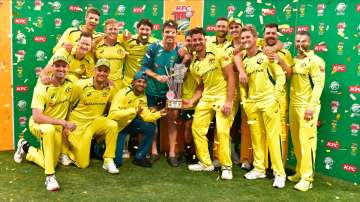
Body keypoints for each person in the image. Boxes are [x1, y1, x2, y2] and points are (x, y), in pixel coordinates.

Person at [14, 55, 76, 191]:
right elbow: (37, 117)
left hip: (57, 128)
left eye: (64, 66)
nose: (61, 68)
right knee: (48, 129)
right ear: (52, 68)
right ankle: (50, 176)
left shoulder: (70, 84)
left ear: (68, 68)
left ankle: (25, 147)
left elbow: (69, 106)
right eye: (57, 65)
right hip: (39, 124)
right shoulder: (42, 87)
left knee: (52, 162)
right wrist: (63, 122)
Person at [185, 27, 235, 180]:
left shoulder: (218, 53)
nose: (198, 42)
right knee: (197, 128)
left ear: (205, 40)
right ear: (191, 43)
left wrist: (229, 101)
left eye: (200, 39)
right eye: (194, 40)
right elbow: (201, 85)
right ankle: (206, 163)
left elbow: (231, 77)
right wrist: (193, 100)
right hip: (206, 98)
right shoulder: (193, 64)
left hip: (222, 97)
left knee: (222, 131)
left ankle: (227, 167)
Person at [239, 25, 286, 188]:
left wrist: (275, 97)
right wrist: (245, 101)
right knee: (256, 137)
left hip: (268, 101)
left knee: (273, 138)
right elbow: (242, 85)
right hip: (252, 104)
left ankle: (279, 173)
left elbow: (281, 76)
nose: (245, 40)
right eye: (242, 38)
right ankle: (259, 168)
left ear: (255, 38)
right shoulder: (243, 60)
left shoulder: (266, 55)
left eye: (248, 37)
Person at [61, 59, 119, 173]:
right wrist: (65, 124)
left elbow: (109, 106)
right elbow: (68, 105)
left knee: (112, 125)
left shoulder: (110, 88)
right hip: (79, 125)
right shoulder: (80, 85)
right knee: (83, 164)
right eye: (100, 70)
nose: (102, 73)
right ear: (94, 70)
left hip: (95, 122)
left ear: (108, 73)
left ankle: (108, 160)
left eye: (105, 71)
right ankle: (66, 152)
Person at [141, 20, 183, 167]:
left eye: (173, 32)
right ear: (162, 33)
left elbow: (181, 71)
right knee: (152, 121)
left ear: (177, 34)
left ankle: (172, 153)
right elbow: (144, 68)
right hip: (152, 90)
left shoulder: (180, 50)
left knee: (172, 121)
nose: (170, 34)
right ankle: (154, 152)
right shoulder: (153, 48)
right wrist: (157, 76)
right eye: (167, 32)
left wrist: (175, 87)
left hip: (171, 92)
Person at [288, 31, 325, 191]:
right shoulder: (294, 60)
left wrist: (311, 106)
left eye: (303, 41)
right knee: (296, 142)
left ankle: (307, 178)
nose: (300, 43)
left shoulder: (316, 60)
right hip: (293, 106)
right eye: (297, 41)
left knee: (307, 143)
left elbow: (319, 85)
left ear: (309, 42)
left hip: (307, 108)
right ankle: (299, 171)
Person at [108, 71, 166, 167]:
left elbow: (146, 117)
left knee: (150, 127)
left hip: (130, 124)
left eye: (144, 82)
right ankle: (97, 149)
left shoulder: (143, 96)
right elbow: (112, 115)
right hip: (117, 127)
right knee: (117, 162)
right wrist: (133, 111)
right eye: (139, 81)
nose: (142, 84)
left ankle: (139, 157)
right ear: (133, 82)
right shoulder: (123, 93)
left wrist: (160, 113)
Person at [262, 23, 293, 166]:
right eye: (268, 33)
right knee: (262, 131)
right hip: (261, 96)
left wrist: (280, 60)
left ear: (277, 35)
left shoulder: (286, 53)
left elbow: (289, 74)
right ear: (263, 35)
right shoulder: (258, 49)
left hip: (279, 97)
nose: (270, 35)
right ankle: (264, 164)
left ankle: (279, 165)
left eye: (273, 33)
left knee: (280, 132)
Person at [228, 18, 252, 170]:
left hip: (249, 89)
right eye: (232, 27)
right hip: (230, 89)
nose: (235, 29)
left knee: (247, 124)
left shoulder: (250, 42)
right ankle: (228, 153)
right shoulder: (225, 45)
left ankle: (246, 157)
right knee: (227, 123)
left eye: (237, 27)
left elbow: (278, 44)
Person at [121, 18, 158, 86]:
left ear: (151, 31)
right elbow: (110, 36)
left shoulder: (156, 44)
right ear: (137, 30)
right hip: (128, 82)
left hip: (146, 83)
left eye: (147, 30)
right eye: (142, 29)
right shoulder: (127, 41)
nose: (144, 32)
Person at [95, 18, 126, 92]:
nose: (113, 31)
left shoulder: (124, 44)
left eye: (115, 29)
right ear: (105, 31)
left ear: (118, 31)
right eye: (110, 29)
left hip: (118, 85)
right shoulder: (96, 44)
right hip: (101, 83)